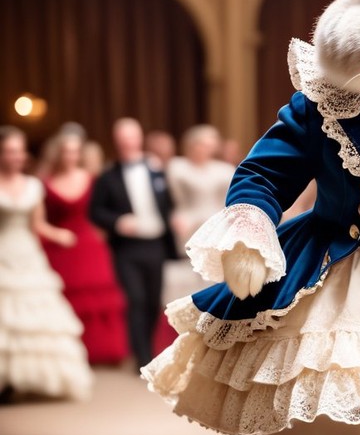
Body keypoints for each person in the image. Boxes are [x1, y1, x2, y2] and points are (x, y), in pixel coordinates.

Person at [0, 126, 93, 399]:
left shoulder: (32, 185)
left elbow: (37, 224)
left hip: (27, 254)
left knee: (32, 315)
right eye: (9, 151)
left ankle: (29, 381)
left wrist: (59, 234)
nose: (15, 156)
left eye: (19, 151)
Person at [90, 118, 175, 369]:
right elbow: (95, 212)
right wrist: (117, 222)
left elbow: (169, 203)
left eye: (132, 137)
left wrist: (176, 217)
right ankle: (142, 356)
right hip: (127, 247)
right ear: (116, 142)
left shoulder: (156, 170)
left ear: (139, 139)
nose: (128, 143)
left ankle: (147, 347)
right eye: (123, 138)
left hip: (156, 244)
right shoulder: (107, 177)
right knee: (135, 299)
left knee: (152, 300)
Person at [41, 128, 129, 364]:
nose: (71, 156)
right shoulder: (46, 182)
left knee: (99, 295)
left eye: (75, 151)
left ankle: (101, 351)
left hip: (89, 244)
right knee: (63, 297)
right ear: (58, 153)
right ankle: (69, 351)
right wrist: (55, 234)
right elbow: (41, 219)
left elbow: (101, 210)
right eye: (66, 151)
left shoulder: (92, 179)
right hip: (59, 247)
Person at [162, 125, 235, 304]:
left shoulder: (224, 169)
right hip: (188, 223)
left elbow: (227, 200)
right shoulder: (177, 167)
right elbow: (175, 198)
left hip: (217, 223)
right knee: (190, 271)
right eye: (201, 144)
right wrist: (177, 216)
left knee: (214, 270)